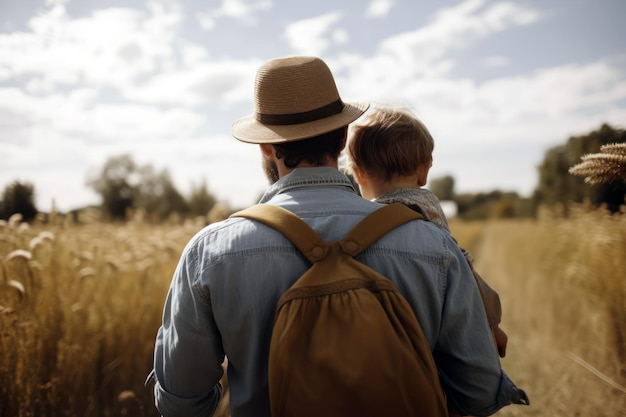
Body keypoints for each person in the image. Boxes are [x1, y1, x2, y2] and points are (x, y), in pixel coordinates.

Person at [149, 55, 529, 417]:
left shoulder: (210, 253)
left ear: (265, 146)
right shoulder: (430, 243)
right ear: (343, 135)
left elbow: (182, 404)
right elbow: (478, 390)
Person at [346, 105, 509, 358]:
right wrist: (491, 325)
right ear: (424, 171)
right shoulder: (429, 209)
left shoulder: (356, 221)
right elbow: (463, 275)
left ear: (358, 174)